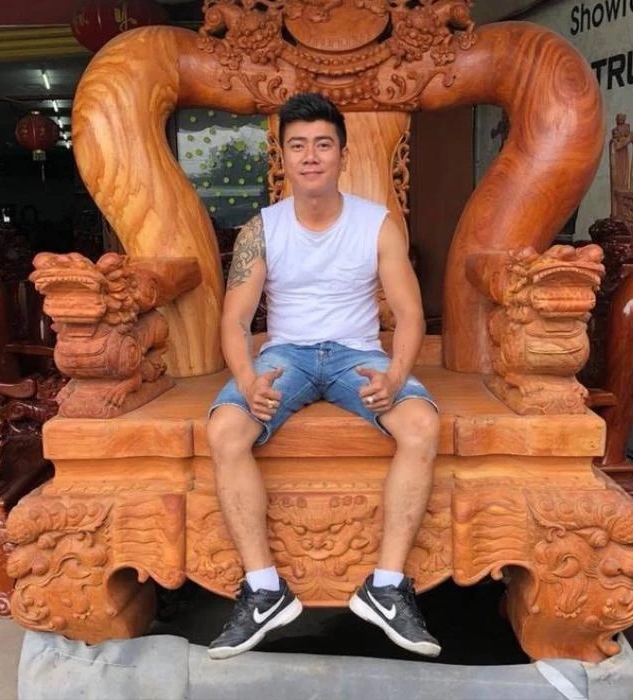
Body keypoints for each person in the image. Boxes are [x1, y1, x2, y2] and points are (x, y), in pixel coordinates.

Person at [206, 92, 441, 660]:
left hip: (354, 355)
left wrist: (396, 375)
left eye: (322, 144)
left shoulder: (378, 224)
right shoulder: (261, 230)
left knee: (421, 424)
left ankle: (386, 587)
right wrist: (248, 378)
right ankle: (264, 591)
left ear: (342, 154)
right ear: (283, 157)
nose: (310, 156)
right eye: (298, 146)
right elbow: (235, 320)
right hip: (285, 355)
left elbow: (409, 313)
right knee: (225, 431)